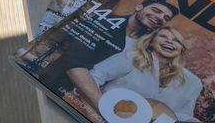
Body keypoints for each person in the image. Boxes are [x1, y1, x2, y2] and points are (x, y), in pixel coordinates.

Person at [67, 27, 204, 123]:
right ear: (151, 41)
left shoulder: (193, 82)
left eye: (176, 40)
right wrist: (103, 113)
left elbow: (182, 114)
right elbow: (93, 78)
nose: (169, 41)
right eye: (163, 36)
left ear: (181, 47)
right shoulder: (133, 58)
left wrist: (191, 121)